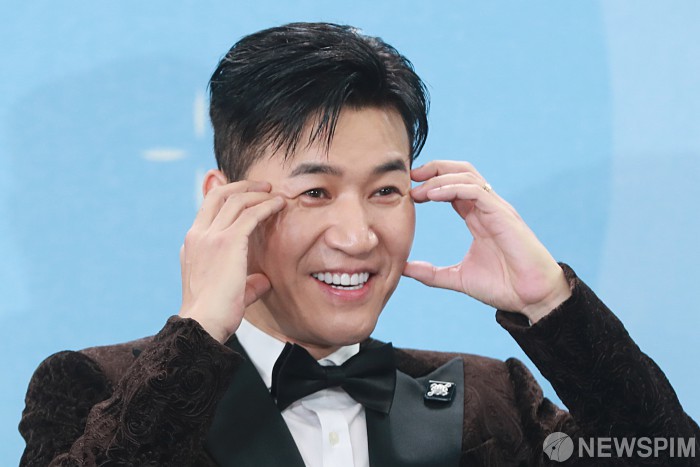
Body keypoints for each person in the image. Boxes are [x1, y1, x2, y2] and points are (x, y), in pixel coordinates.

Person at [19, 22, 699, 466]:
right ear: (222, 202)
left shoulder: (489, 398)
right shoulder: (96, 386)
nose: (357, 236)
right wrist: (195, 336)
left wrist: (549, 302)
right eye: (315, 191)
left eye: (386, 190)